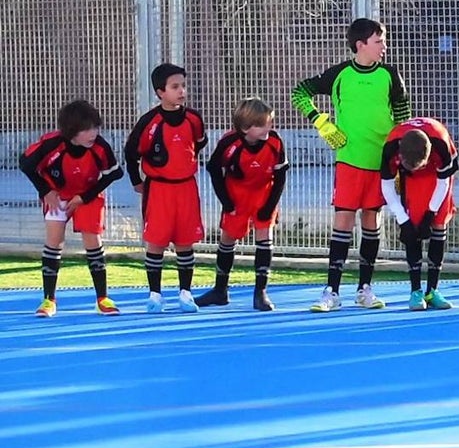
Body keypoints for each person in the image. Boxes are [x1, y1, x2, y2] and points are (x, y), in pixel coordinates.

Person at [292, 17, 412, 313]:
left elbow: (404, 119)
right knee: (343, 222)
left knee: (372, 222)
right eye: (378, 41)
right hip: (349, 161)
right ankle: (331, 290)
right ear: (361, 45)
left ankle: (365, 288)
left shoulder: (390, 76)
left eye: (383, 41)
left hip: (381, 164)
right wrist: (322, 123)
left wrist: (400, 159)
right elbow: (299, 93)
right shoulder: (340, 74)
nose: (384, 46)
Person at [19, 100, 124, 317]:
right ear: (71, 132)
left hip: (88, 194)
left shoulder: (100, 147)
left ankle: (102, 298)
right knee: (54, 240)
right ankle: (49, 300)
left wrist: (84, 197)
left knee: (93, 240)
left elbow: (115, 173)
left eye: (95, 127)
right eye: (86, 129)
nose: (92, 133)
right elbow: (25, 163)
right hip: (58, 195)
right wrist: (45, 191)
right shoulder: (52, 144)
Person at [124, 63, 208, 313]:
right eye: (175, 87)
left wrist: (182, 165)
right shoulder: (150, 122)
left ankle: (185, 293)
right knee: (156, 241)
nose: (181, 91)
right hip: (159, 190)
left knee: (185, 241)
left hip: (186, 189)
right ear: (160, 92)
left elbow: (198, 144)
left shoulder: (193, 118)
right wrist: (137, 181)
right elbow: (131, 153)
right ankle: (155, 295)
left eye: (183, 85)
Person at [194, 97, 289, 311]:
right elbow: (213, 169)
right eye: (264, 123)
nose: (270, 127)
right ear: (246, 128)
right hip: (237, 193)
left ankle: (260, 292)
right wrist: (226, 202)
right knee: (228, 237)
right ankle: (220, 290)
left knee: (265, 235)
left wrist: (269, 206)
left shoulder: (275, 142)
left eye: (270, 122)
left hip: (264, 192)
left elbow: (281, 175)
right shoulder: (229, 143)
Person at [380, 117, 459, 311]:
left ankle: (432, 290)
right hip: (412, 180)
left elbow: (444, 182)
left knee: (438, 224)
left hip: (437, 175)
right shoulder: (391, 147)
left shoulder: (440, 144)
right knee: (413, 226)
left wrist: (430, 214)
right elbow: (387, 187)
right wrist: (403, 220)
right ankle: (415, 290)